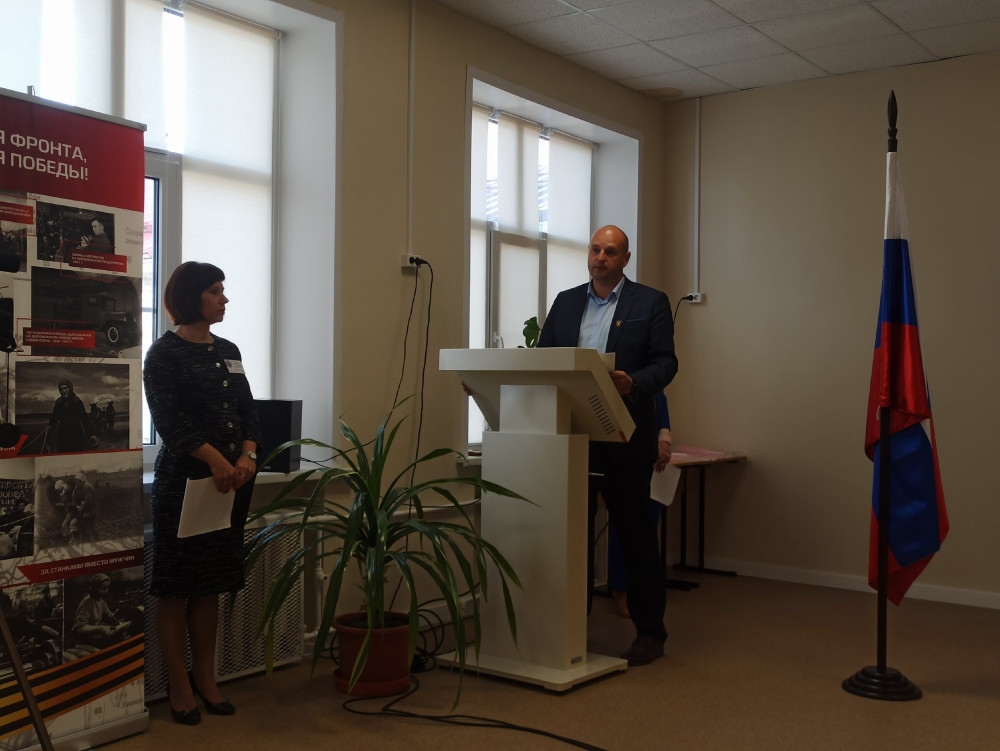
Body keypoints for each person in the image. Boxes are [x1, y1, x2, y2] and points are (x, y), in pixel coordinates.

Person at [538, 224, 677, 666]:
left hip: (624, 438)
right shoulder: (565, 302)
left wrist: (632, 382)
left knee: (635, 536)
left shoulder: (650, 302)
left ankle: (650, 633)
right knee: (571, 535)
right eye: (595, 249)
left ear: (625, 258)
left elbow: (666, 363)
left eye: (610, 251)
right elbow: (542, 359)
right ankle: (570, 627)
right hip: (572, 436)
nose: (600, 257)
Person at [143, 261, 260, 726]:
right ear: (191, 297)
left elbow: (247, 411)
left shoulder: (228, 350)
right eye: (214, 291)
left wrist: (247, 455)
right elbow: (170, 423)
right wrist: (217, 461)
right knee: (176, 589)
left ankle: (206, 679)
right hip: (184, 485)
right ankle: (179, 684)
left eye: (222, 290)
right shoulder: (163, 354)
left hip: (231, 484)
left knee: (210, 586)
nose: (224, 299)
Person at [608, 391, 671, 618]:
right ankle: (620, 593)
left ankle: (644, 597)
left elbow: (663, 421)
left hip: (652, 467)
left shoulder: (656, 390)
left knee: (648, 534)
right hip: (624, 464)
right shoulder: (621, 386)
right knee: (623, 531)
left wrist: (664, 445)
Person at [72, 573, 120, 648]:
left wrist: (118, 620)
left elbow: (110, 615)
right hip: (82, 640)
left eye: (107, 588)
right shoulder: (86, 603)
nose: (106, 591)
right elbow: (79, 628)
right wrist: (101, 628)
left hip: (93, 636)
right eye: (103, 588)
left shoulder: (100, 601)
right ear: (94, 588)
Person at [48, 379, 97, 453]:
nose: (63, 391)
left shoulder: (77, 402)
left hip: (76, 433)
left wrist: (91, 433)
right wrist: (50, 425)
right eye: (61, 389)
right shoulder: (58, 403)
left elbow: (84, 418)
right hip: (63, 433)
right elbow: (54, 416)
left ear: (70, 388)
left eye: (66, 388)